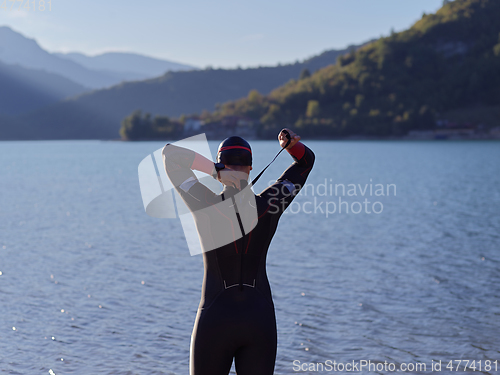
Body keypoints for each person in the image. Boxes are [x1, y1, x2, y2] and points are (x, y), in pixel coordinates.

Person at [162, 128, 315, 375]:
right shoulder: (271, 203)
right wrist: (290, 146)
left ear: (221, 168)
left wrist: (213, 169)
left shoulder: (204, 203)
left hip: (215, 318)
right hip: (259, 318)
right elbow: (307, 162)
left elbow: (170, 155)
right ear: (251, 168)